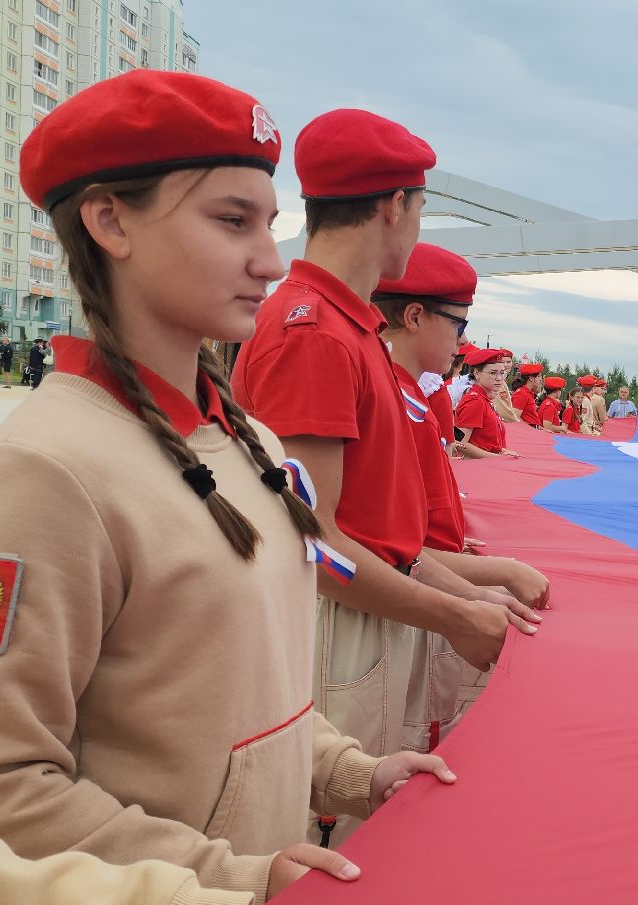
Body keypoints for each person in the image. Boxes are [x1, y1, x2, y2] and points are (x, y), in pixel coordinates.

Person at [0, 68, 441, 905]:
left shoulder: (247, 440)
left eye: (271, 222)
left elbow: (243, 691)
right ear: (109, 221)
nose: (270, 259)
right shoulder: (42, 473)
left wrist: (355, 774)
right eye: (232, 221)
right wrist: (233, 876)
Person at [231, 107, 526, 834]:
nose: (416, 230)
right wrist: (457, 613)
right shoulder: (318, 336)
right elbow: (316, 543)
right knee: (345, 833)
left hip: (376, 608)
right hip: (345, 628)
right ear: (395, 206)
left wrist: (468, 594)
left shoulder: (347, 328)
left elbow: (379, 530)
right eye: (419, 211)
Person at [373, 243, 545, 746]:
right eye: (458, 324)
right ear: (414, 317)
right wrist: (485, 584)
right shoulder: (392, 398)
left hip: (428, 575)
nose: (463, 342)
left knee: (425, 722)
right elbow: (373, 540)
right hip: (409, 589)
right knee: (402, 735)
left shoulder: (410, 395)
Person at [453, 346, 518, 458]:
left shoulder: (483, 399)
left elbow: (485, 441)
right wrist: (496, 457)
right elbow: (460, 443)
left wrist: (502, 451)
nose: (499, 378)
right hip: (478, 466)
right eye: (493, 373)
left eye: (502, 373)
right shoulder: (475, 401)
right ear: (477, 373)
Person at [511, 361, 545, 426]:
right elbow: (514, 417)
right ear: (531, 379)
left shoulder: (528, 393)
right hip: (527, 430)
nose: (541, 379)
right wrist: (530, 428)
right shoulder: (522, 393)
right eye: (539, 376)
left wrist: (541, 429)